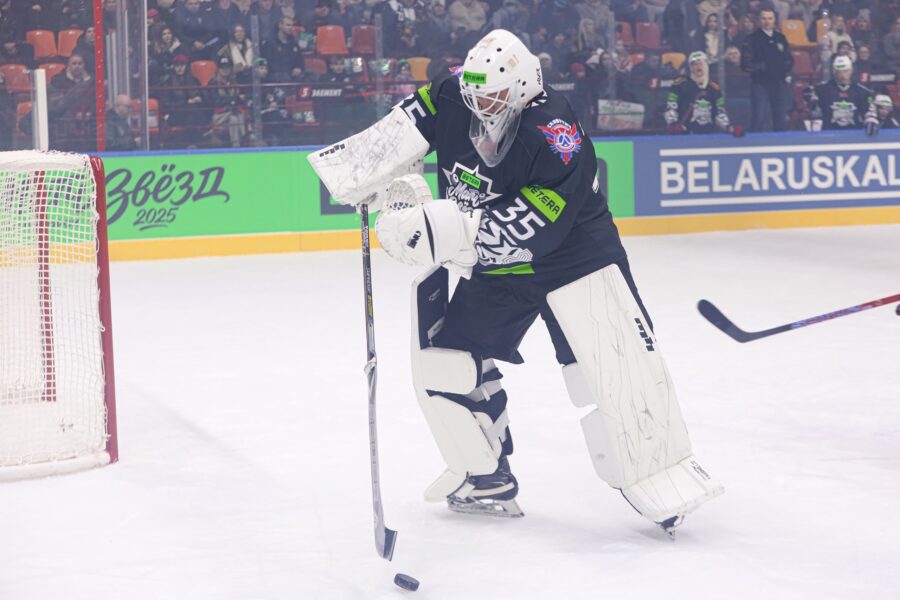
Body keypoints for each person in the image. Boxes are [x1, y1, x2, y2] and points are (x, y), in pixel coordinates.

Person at [307, 29, 723, 533]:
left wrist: (442, 230)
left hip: (576, 260)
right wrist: (360, 174)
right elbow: (399, 132)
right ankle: (485, 476)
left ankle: (659, 474)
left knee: (613, 373)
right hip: (501, 270)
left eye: (493, 96)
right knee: (447, 365)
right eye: (473, 93)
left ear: (524, 87)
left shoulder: (554, 132)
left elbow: (538, 228)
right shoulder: (451, 93)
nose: (480, 104)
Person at [740, 8, 793, 131]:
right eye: (764, 18)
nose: (767, 21)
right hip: (760, 84)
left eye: (770, 18)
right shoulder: (752, 39)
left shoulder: (780, 38)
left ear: (774, 20)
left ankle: (780, 141)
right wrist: (765, 67)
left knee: (780, 118)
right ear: (759, 20)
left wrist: (783, 69)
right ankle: (755, 141)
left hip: (779, 83)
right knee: (759, 117)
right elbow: (746, 64)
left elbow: (789, 59)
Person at [665, 51, 732, 133]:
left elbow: (720, 112)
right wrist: (672, 124)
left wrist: (728, 127)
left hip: (709, 133)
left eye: (701, 63)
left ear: (706, 66)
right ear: (690, 67)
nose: (698, 66)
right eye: (694, 64)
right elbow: (671, 107)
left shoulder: (714, 88)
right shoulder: (679, 85)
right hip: (684, 132)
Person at [805, 55, 877, 131]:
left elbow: (870, 109)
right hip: (829, 134)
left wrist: (870, 121)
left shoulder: (863, 92)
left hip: (854, 133)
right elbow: (810, 100)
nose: (843, 75)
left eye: (846, 71)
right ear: (834, 72)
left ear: (851, 70)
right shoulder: (821, 90)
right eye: (840, 71)